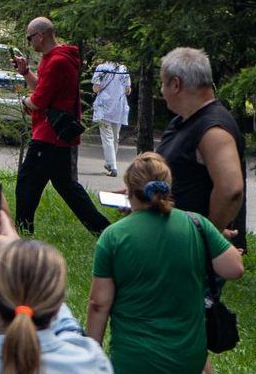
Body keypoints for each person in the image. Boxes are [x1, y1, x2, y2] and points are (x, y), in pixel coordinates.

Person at [86, 152, 244, 374]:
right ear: (168, 188)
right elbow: (234, 268)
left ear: (129, 191)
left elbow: (98, 304)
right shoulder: (197, 224)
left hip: (133, 360)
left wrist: (91, 357)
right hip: (188, 360)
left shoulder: (113, 237)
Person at [0, 217, 110, 374]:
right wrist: (23, 257)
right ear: (57, 303)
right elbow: (69, 330)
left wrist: (15, 254)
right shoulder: (91, 363)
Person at [12, 17, 109, 234]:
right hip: (55, 134)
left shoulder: (57, 61)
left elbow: (39, 100)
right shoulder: (53, 58)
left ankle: (22, 233)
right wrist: (26, 72)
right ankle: (103, 231)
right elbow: (45, 90)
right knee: (68, 188)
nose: (29, 43)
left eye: (29, 38)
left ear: (40, 35)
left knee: (27, 184)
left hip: (49, 135)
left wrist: (24, 102)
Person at [153, 46, 247, 250]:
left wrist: (207, 236)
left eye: (163, 83)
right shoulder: (182, 121)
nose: (162, 91)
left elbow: (231, 189)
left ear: (176, 84)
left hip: (189, 250)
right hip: (171, 241)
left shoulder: (213, 129)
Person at [89, 56, 130, 177]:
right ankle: (110, 163)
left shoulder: (101, 68)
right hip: (119, 107)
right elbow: (128, 90)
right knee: (115, 136)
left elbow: (96, 88)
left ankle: (113, 167)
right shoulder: (124, 68)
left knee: (108, 138)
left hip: (104, 107)